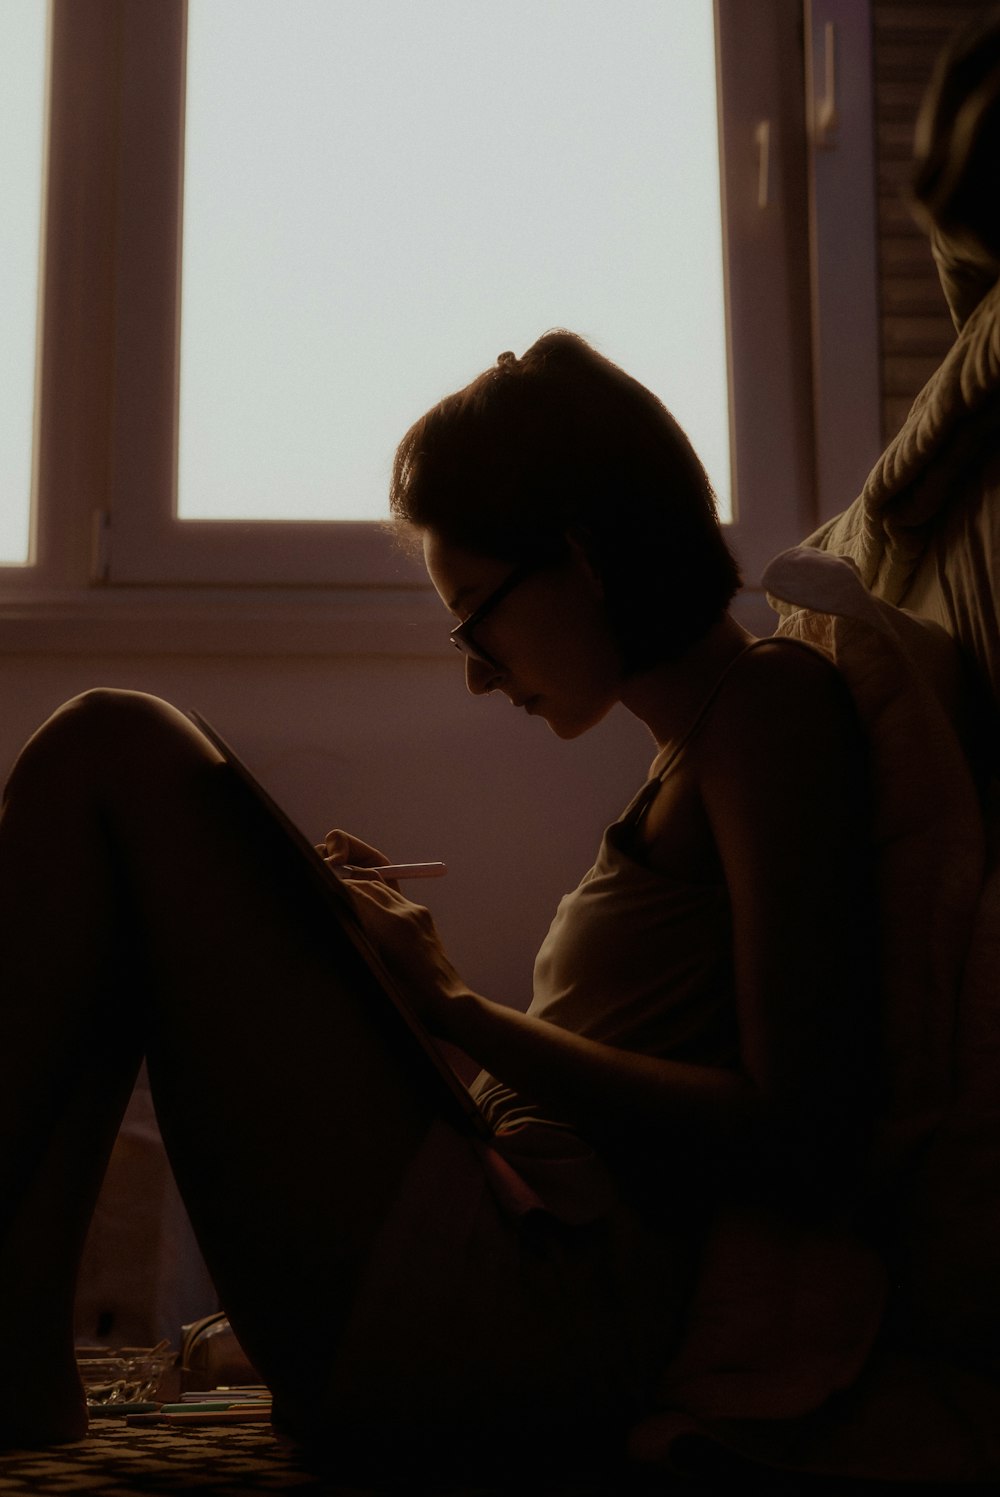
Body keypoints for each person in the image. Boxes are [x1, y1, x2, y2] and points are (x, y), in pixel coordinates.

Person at [0, 332, 877, 1473]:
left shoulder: (769, 709)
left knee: (112, 745)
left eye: (475, 615)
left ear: (582, 561)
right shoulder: (703, 744)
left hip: (523, 1323)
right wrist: (374, 978)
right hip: (494, 1261)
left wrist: (454, 1006)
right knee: (125, 822)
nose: (475, 668)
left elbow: (798, 1132)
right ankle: (15, 1353)